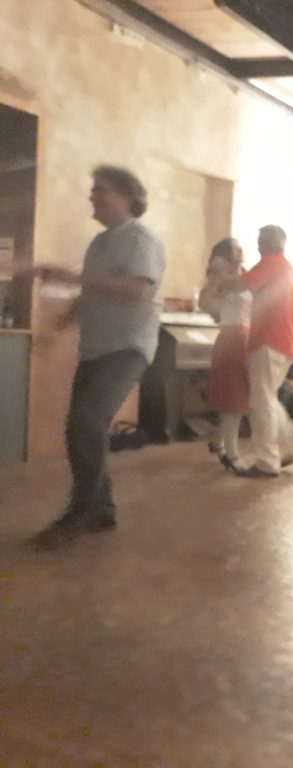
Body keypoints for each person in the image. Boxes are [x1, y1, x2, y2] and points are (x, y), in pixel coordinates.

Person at [28, 165, 165, 549]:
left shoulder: (140, 239)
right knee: (80, 428)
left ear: (126, 196)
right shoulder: (99, 243)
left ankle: (83, 510)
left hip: (127, 347)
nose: (92, 196)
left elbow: (137, 289)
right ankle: (101, 508)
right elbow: (91, 293)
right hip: (95, 349)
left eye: (100, 190)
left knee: (87, 422)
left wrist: (72, 277)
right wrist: (59, 326)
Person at [217, 225, 293, 478]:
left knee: (260, 402)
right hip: (285, 342)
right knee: (266, 398)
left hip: (270, 340)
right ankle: (292, 444)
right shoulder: (284, 267)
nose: (257, 245)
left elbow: (239, 284)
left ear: (268, 242)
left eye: (260, 240)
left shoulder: (271, 264)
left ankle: (267, 462)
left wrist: (218, 275)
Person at [198, 238, 251, 471]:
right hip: (231, 338)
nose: (240, 253)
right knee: (233, 399)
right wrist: (214, 279)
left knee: (241, 396)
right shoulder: (220, 280)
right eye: (234, 250)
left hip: (248, 337)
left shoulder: (248, 275)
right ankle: (232, 453)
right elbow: (205, 304)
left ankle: (219, 440)